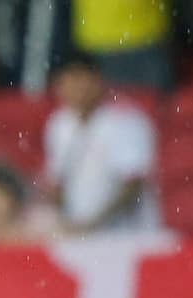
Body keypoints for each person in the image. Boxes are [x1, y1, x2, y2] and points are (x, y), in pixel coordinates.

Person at [41, 59, 157, 233]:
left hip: (127, 235)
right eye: (66, 82)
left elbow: (133, 187)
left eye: (80, 80)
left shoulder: (125, 120)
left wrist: (93, 225)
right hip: (81, 234)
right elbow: (58, 184)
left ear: (97, 81)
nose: (74, 89)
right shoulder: (58, 124)